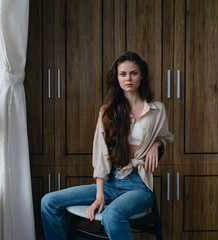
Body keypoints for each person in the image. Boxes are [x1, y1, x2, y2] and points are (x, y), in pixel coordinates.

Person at [41, 51, 174, 240]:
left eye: (133, 73)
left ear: (141, 75)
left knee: (112, 215)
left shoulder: (156, 109)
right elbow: (101, 155)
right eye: (123, 74)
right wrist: (100, 195)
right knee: (49, 202)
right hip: (110, 182)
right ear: (117, 78)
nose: (128, 78)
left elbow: (166, 136)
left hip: (139, 186)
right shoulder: (107, 112)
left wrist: (157, 143)